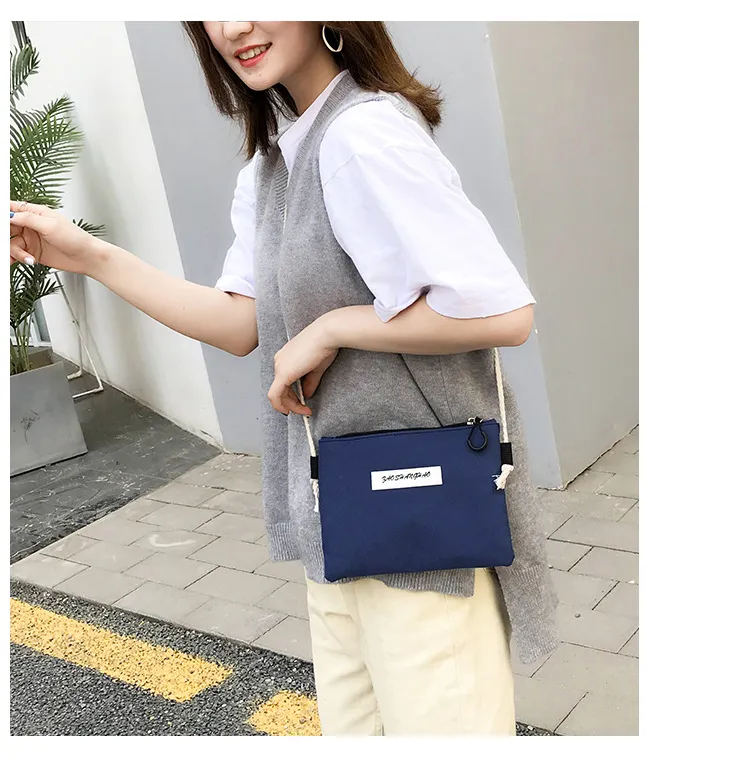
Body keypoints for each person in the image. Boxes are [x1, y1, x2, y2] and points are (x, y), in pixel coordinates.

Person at [10, 21, 558, 736]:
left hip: (421, 529)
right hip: (340, 526)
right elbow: (240, 322)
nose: (234, 26)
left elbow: (504, 312)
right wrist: (90, 256)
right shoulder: (275, 166)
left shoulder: (364, 134)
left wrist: (333, 327)